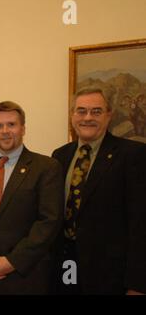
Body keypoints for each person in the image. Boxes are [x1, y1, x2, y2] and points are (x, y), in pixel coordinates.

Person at [0, 101, 63, 295]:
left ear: (23, 128)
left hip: (25, 278)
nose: (5, 131)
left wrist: (12, 262)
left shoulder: (46, 167)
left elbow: (49, 222)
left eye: (11, 124)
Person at [52, 87, 146, 295]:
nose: (87, 117)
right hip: (66, 266)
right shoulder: (60, 156)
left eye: (96, 111)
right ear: (72, 115)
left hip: (111, 275)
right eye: (81, 111)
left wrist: (137, 284)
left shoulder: (133, 155)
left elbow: (141, 225)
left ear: (108, 115)